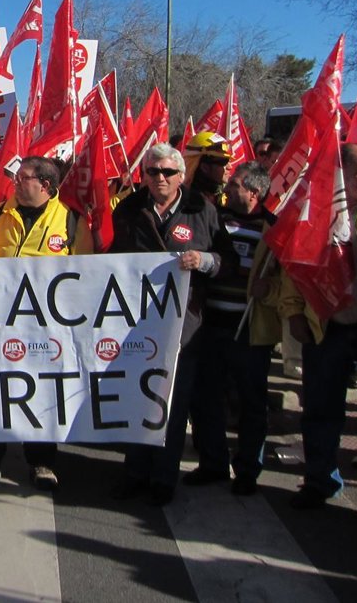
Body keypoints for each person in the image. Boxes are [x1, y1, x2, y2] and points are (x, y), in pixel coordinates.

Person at [107, 142, 236, 507]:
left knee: (173, 405)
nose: (159, 178)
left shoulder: (202, 210)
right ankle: (135, 472)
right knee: (137, 398)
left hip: (184, 324)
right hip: (136, 322)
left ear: (181, 175)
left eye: (167, 172)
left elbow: (227, 260)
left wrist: (204, 261)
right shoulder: (128, 209)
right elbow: (113, 259)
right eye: (152, 171)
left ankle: (164, 478)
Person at [279, 144, 357, 532]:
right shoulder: (314, 210)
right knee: (321, 409)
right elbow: (294, 265)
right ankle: (319, 480)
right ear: (341, 173)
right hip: (327, 326)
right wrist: (294, 311)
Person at [0, 156, 87, 491]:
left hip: (45, 326)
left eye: (23, 178)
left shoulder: (70, 220)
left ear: (45, 185)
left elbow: (87, 271)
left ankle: (41, 461)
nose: (15, 183)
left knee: (42, 390)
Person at [184, 162, 278, 495]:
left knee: (251, 401)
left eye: (235, 183)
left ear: (254, 192)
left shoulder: (274, 229)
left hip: (250, 329)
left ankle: (248, 469)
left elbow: (287, 279)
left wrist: (269, 288)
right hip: (210, 324)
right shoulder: (216, 219)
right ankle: (213, 462)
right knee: (206, 397)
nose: (227, 186)